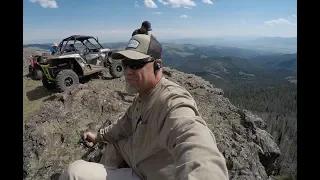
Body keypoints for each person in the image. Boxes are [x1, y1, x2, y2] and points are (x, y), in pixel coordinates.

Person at [58, 34, 229, 180]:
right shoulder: (143, 95)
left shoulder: (172, 101)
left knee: (74, 172)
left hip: (149, 175)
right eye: (125, 64)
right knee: (115, 142)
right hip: (137, 157)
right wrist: (98, 137)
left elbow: (196, 143)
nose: (127, 71)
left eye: (136, 64)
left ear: (157, 65)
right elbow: (123, 125)